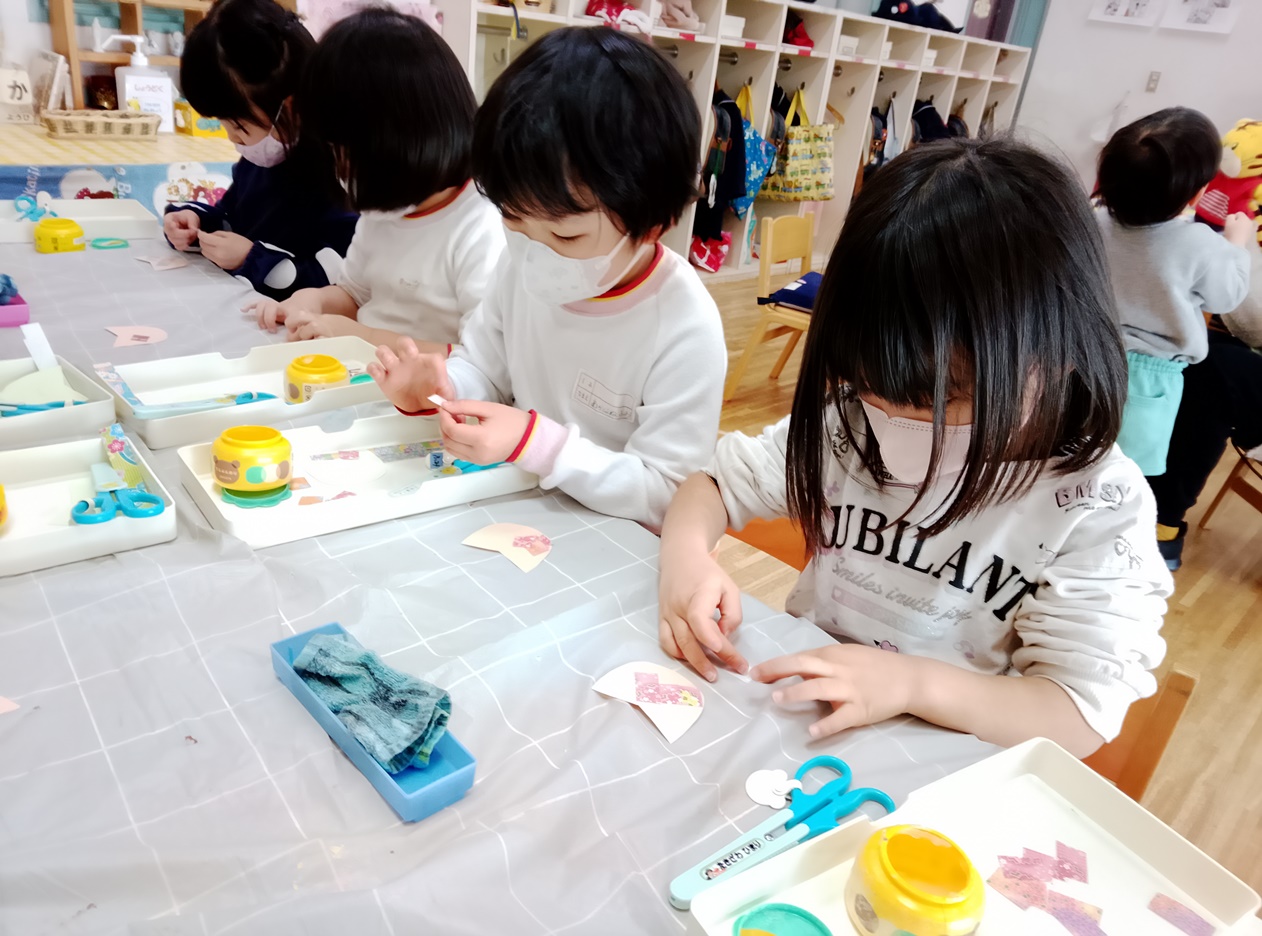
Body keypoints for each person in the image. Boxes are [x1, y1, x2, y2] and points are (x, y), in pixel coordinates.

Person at [657, 138, 1170, 757]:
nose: (895, 423)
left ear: (1062, 350)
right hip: (804, 733)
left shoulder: (1095, 505)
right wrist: (686, 557)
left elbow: (1078, 713)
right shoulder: (849, 423)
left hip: (943, 762)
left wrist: (911, 684)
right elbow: (712, 485)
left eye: (943, 400)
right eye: (870, 387)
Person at [368, 27, 726, 529]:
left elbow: (668, 494)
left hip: (617, 543)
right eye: (513, 220)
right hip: (523, 511)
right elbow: (487, 368)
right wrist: (445, 387)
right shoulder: (519, 266)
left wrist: (539, 444)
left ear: (652, 225)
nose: (534, 252)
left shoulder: (685, 328)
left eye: (566, 235)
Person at [247, 8, 505, 353]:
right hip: (365, 370)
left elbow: (480, 360)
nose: (341, 168)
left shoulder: (480, 227)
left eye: (348, 151)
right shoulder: (384, 211)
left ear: (404, 141)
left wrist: (362, 337)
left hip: (430, 383)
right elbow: (355, 294)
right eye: (334, 150)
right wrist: (313, 301)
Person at [1095, 108, 1252, 489]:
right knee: (1121, 485)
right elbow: (1226, 296)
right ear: (1198, 192)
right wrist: (1236, 244)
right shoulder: (1198, 244)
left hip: (1083, 356)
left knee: (1064, 462)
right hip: (1148, 382)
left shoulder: (1093, 220)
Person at [166, 0, 357, 299]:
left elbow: (338, 279)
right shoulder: (258, 162)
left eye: (239, 126)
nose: (232, 138)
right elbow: (232, 217)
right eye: (222, 124)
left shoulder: (339, 177)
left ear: (291, 108)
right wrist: (194, 221)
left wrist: (252, 259)